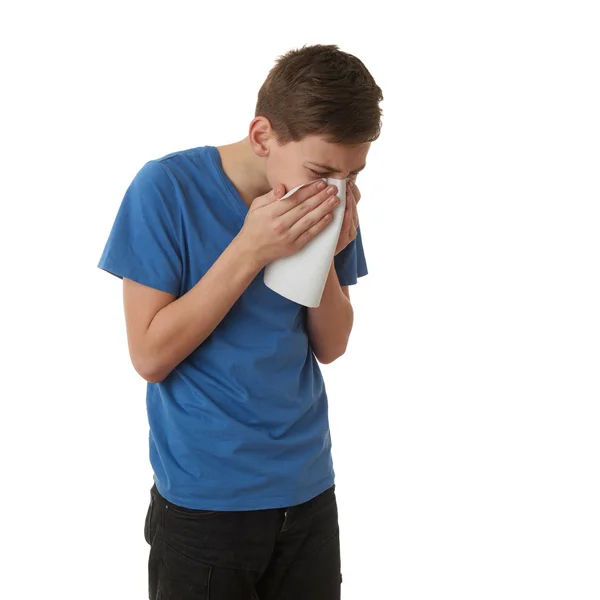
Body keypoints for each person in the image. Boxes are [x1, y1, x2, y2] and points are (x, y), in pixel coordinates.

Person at [97, 43, 383, 600]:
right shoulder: (165, 190)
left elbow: (333, 345)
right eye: (323, 170)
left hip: (308, 491)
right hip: (206, 505)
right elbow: (150, 357)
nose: (336, 189)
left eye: (353, 173)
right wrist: (251, 249)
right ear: (262, 137)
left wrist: (321, 256)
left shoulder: (328, 196)